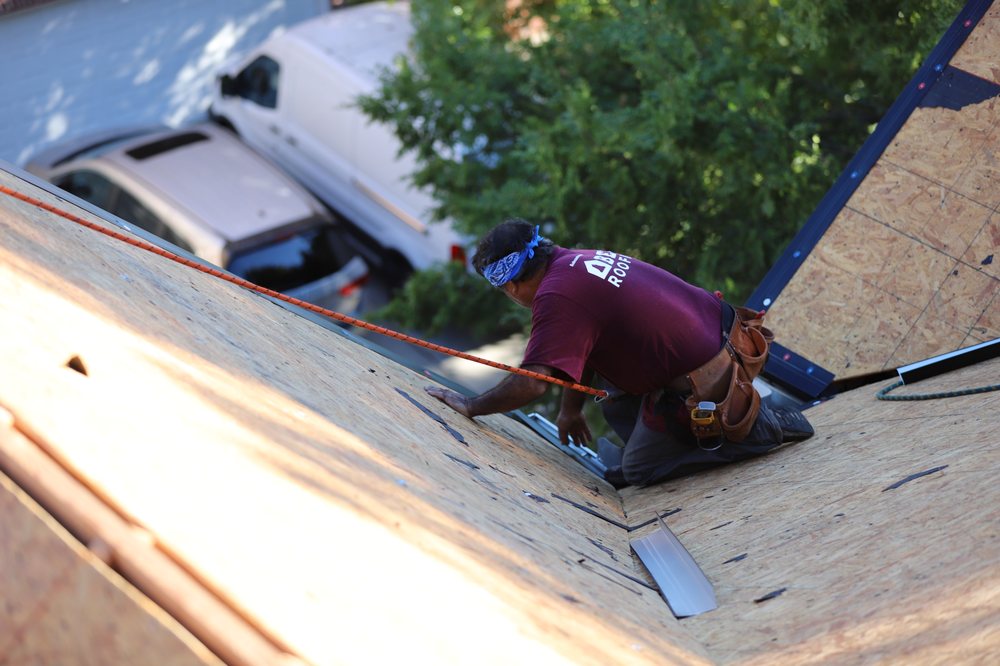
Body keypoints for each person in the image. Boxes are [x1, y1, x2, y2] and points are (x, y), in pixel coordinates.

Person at [425, 219, 814, 487]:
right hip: (728, 340)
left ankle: (759, 428)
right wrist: (571, 410)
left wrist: (471, 406)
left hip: (711, 372)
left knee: (640, 470)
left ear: (510, 286)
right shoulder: (575, 261)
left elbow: (532, 385)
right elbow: (583, 355)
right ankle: (698, 432)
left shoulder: (558, 295)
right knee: (613, 401)